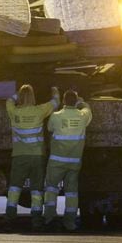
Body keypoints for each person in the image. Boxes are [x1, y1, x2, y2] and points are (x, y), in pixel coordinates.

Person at [5, 84, 59, 230]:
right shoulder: (39, 110)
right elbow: (56, 102)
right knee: (36, 189)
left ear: (20, 98)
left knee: (15, 188)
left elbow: (9, 100)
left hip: (19, 156)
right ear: (33, 96)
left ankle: (10, 219)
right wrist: (54, 90)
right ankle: (36, 220)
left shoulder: (14, 111)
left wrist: (18, 94)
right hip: (37, 156)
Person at [43, 90, 92, 232]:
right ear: (75, 101)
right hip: (74, 162)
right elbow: (88, 109)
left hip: (57, 162)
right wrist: (82, 102)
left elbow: (49, 128)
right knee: (71, 192)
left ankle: (50, 218)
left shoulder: (56, 116)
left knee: (51, 188)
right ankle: (69, 222)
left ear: (64, 101)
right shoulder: (83, 116)